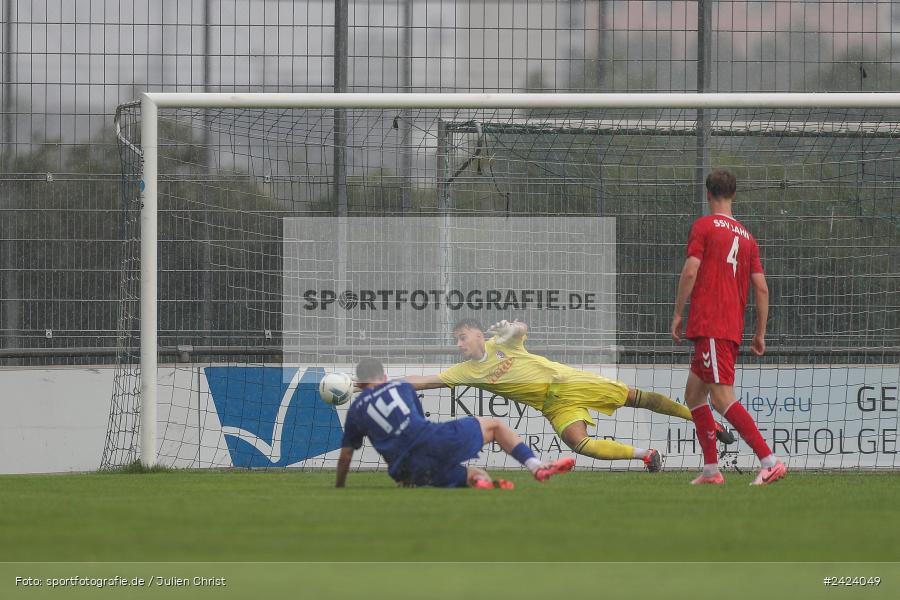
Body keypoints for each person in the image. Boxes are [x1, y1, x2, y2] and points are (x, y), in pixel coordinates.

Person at [404, 318, 735, 472]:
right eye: (457, 341)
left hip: (568, 381)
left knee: (639, 398)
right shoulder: (463, 372)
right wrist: (377, 384)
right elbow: (424, 381)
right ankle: (646, 455)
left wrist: (508, 329)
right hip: (552, 404)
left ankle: (706, 422)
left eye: (462, 337)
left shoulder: (499, 344)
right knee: (579, 444)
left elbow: (520, 330)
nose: (459, 345)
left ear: (477, 334)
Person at [671, 169, 787, 486]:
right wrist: (760, 332)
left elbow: (691, 270)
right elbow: (761, 288)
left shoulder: (704, 226)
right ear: (734, 195)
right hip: (730, 327)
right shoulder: (748, 238)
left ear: (708, 194)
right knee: (694, 396)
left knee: (722, 399)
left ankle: (769, 460)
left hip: (711, 324)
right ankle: (711, 470)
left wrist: (678, 312)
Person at [336, 358, 575, 489]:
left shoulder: (356, 410)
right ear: (384, 377)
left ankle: (480, 482)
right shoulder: (400, 386)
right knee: (494, 426)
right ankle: (536, 466)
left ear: (360, 383)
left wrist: (339, 487)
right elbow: (417, 420)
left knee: (473, 475)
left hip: (406, 470)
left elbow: (346, 455)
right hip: (431, 440)